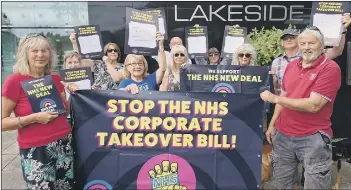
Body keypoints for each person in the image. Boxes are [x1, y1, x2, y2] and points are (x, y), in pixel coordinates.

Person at [261, 27, 341, 189]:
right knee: (282, 184)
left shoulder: (330, 68)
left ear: (322, 45)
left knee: (315, 184)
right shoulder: (291, 66)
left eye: (311, 43)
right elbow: (284, 95)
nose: (306, 47)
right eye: (303, 43)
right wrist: (272, 124)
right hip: (283, 135)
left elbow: (314, 105)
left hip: (312, 137)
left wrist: (275, 98)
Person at [1, 33, 78, 189]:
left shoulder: (55, 79)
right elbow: (2, 123)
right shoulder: (14, 81)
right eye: (34, 51)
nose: (40, 55)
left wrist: (73, 95)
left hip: (64, 144)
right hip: (36, 149)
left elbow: (65, 112)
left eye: (44, 50)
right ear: (25, 54)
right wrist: (34, 118)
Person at [271, 13, 350, 95]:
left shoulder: (312, 54)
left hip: (308, 103)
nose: (288, 40)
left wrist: (343, 30)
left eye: (292, 37)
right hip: (284, 103)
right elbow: (276, 88)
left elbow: (337, 51)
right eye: (285, 38)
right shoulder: (276, 62)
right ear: (282, 43)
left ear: (299, 40)